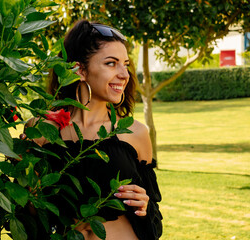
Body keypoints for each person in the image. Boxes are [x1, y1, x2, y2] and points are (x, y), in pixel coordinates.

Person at [24, 20, 162, 240]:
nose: (124, 74)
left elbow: (153, 215)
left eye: (125, 64)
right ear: (80, 70)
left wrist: (144, 205)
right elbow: (28, 217)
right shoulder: (41, 130)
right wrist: (25, 169)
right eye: (111, 63)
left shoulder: (136, 134)